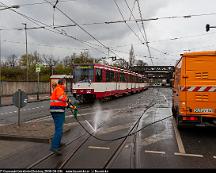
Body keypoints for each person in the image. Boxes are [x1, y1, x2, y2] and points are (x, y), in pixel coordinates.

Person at [50, 78, 69, 155]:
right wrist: (67, 100)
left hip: (57, 110)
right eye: (65, 83)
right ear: (63, 83)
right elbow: (61, 97)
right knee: (59, 130)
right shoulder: (59, 89)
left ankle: (57, 143)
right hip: (57, 111)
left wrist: (67, 105)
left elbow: (60, 101)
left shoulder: (58, 89)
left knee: (58, 128)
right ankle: (54, 147)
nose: (66, 85)